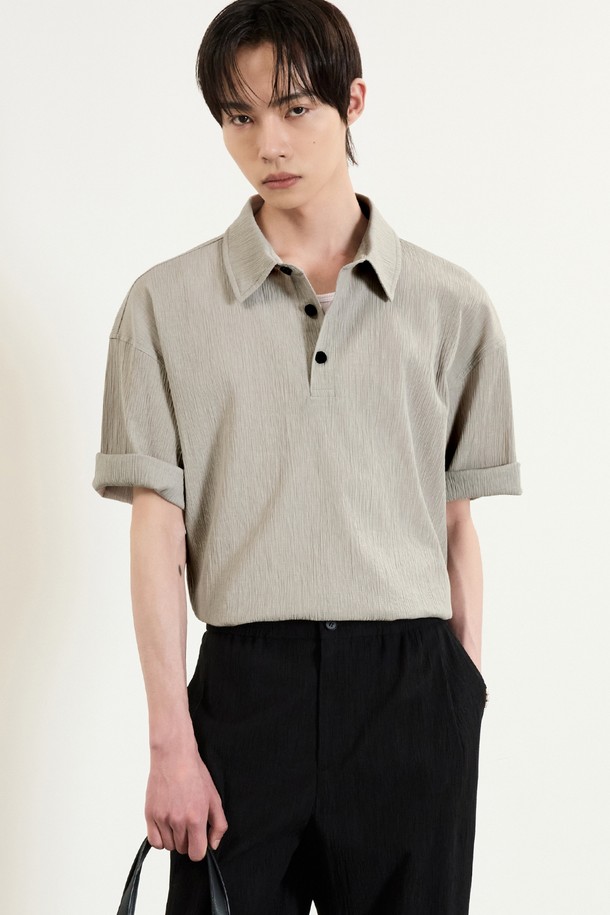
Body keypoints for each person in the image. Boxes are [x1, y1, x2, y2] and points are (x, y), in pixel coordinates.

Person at [92, 1, 522, 912]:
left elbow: (455, 523)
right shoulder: (164, 307)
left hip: (412, 691)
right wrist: (171, 741)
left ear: (353, 102)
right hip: (246, 695)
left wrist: (463, 697)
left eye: (294, 109)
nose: (269, 144)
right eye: (239, 117)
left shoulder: (450, 306)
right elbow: (156, 536)